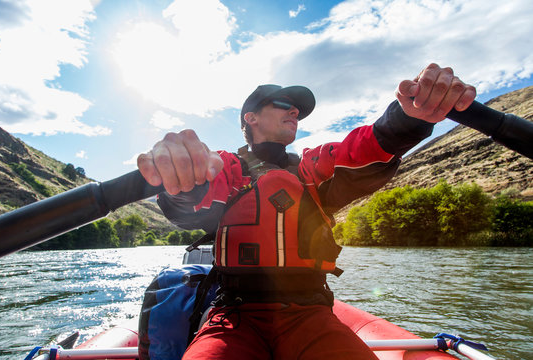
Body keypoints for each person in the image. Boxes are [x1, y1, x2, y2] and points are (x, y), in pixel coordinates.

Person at [137, 63, 476, 360]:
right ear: (250, 118)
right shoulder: (226, 167)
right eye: (284, 105)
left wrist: (407, 120)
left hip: (310, 312)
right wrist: (181, 174)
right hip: (233, 314)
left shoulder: (312, 169)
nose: (295, 112)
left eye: (298, 110)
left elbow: (361, 150)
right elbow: (192, 203)